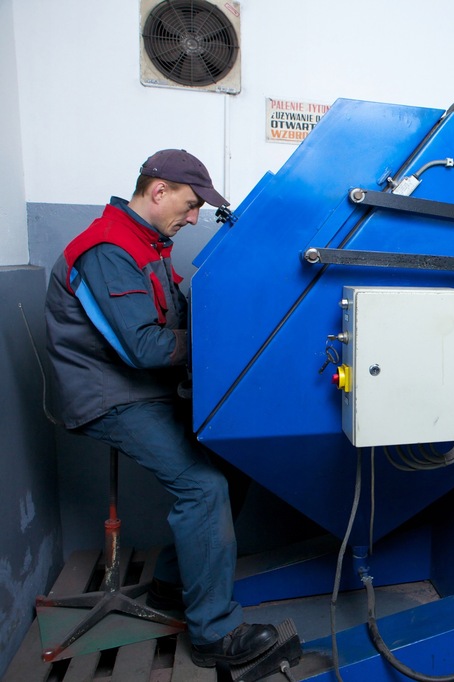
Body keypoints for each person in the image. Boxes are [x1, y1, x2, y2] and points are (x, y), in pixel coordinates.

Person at [44, 149, 278, 666]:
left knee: (232, 465)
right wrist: (220, 342)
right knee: (203, 486)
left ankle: (173, 584)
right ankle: (215, 635)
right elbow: (144, 348)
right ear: (158, 191)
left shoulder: (147, 243)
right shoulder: (107, 248)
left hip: (143, 390)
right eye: (191, 205)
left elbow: (175, 315)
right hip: (109, 396)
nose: (194, 218)